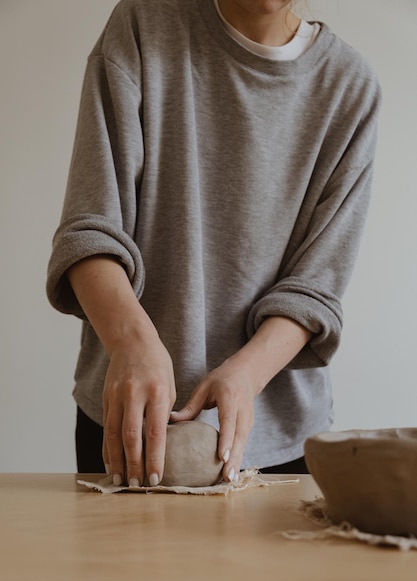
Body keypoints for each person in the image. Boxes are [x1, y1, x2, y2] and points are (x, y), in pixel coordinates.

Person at [46, 0, 381, 488]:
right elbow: (90, 226)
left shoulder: (349, 85)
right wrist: (131, 342)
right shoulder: (142, 25)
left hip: (274, 440)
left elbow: (315, 285)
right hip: (128, 425)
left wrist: (246, 376)